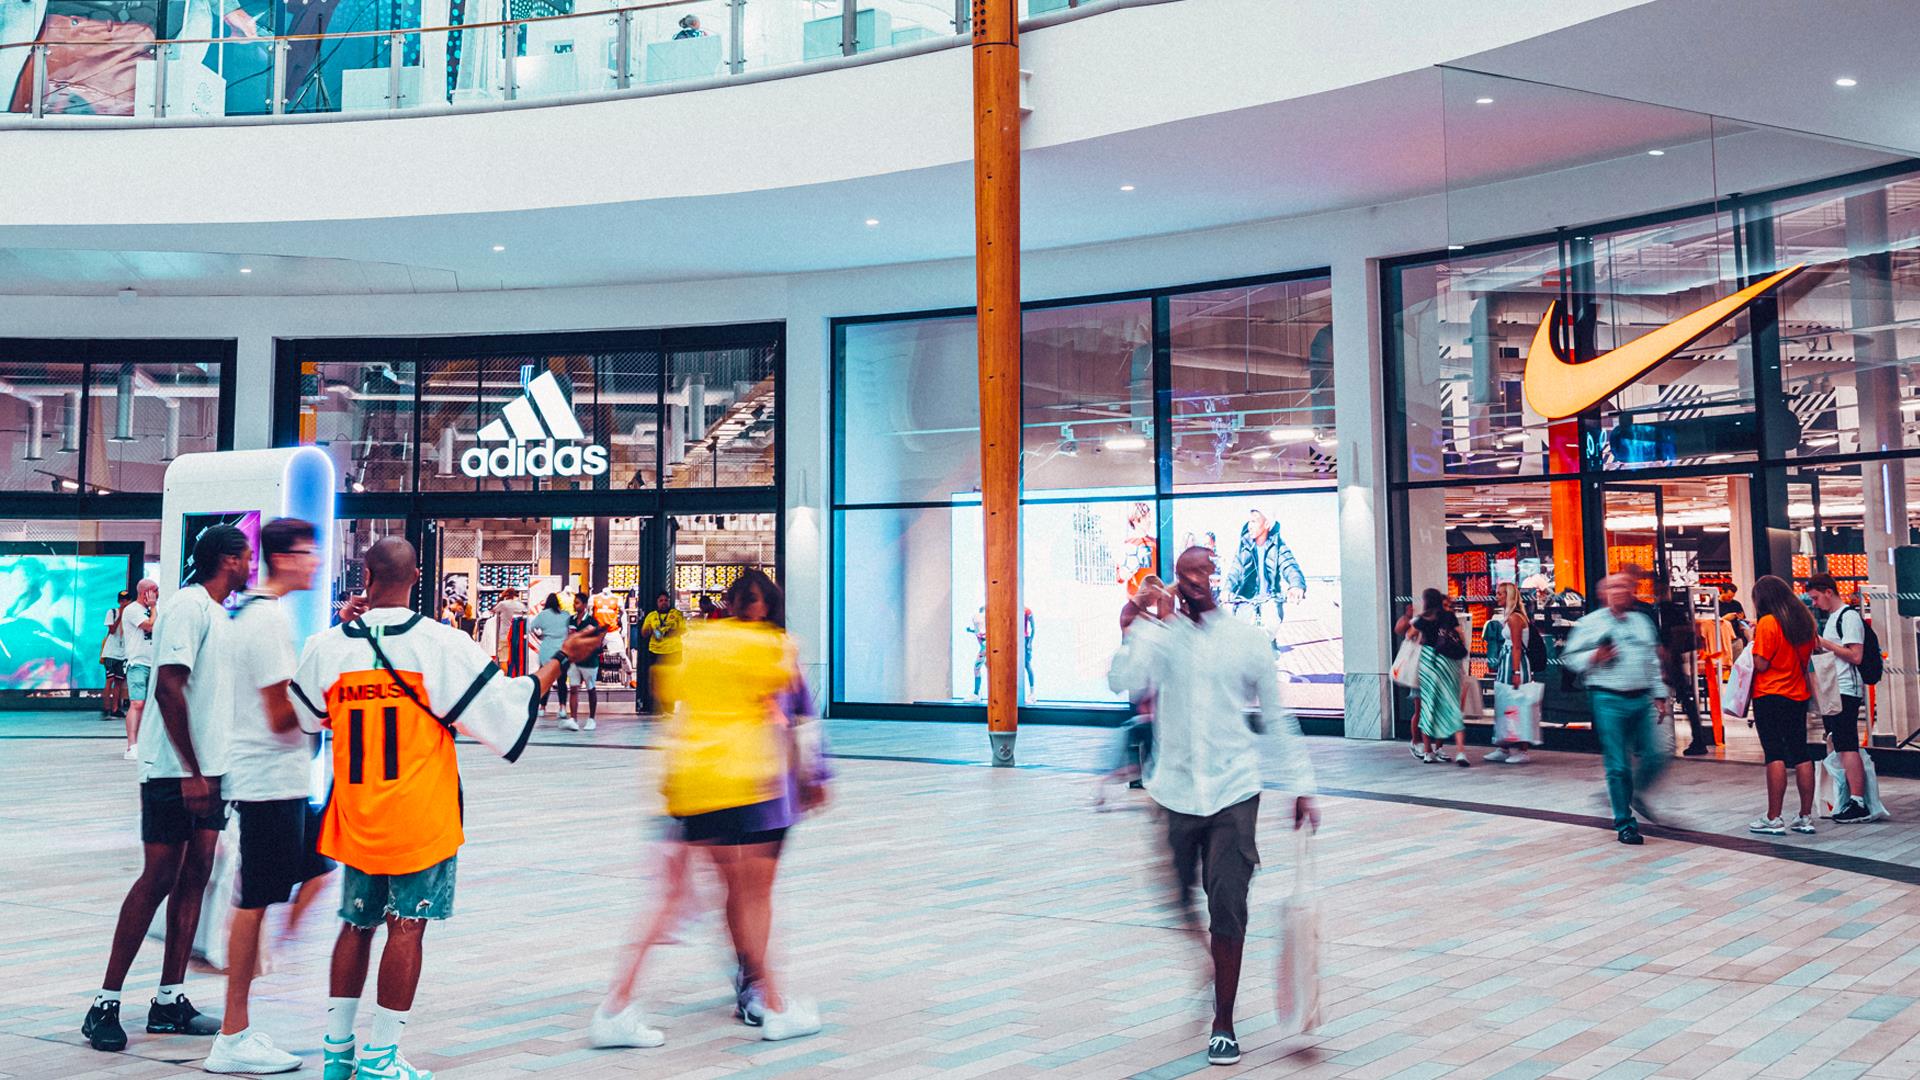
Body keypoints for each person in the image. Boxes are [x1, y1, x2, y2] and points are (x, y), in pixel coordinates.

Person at [288, 538, 603, 1080]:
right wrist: (562, 658)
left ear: (365, 573)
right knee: (406, 927)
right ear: (417, 575)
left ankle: (337, 1054)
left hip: (356, 814)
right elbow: (505, 708)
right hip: (419, 813)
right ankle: (381, 1060)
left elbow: (306, 717)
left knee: (355, 925)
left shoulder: (326, 646)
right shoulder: (441, 643)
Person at [594, 569, 827, 1049]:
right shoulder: (773, 647)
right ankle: (774, 1006)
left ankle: (616, 1005)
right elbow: (794, 710)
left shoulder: (697, 641)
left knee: (679, 899)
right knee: (752, 896)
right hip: (748, 782)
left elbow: (670, 695)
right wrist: (813, 773)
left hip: (691, 782)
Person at [1107, 546, 1318, 1067]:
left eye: (1202, 571)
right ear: (1175, 582)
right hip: (1173, 791)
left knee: (1228, 899)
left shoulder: (1247, 640)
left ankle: (1223, 1020)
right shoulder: (1163, 636)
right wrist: (1134, 624)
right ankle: (1210, 964)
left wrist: (1302, 784)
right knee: (1176, 896)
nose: (1194, 580)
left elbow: (1277, 716)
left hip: (1234, 791)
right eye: (1184, 574)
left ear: (1218, 577)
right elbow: (1125, 683)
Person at [82, 528, 251, 1053]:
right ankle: (104, 1004)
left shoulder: (221, 614)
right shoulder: (188, 607)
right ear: (226, 559)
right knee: (159, 877)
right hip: (173, 771)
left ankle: (169, 1000)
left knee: (196, 875)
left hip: (210, 770)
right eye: (246, 555)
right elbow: (169, 685)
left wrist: (217, 770)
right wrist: (193, 770)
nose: (251, 563)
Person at [204, 518, 330, 1075]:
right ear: (282, 557)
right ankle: (233, 1035)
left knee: (292, 879)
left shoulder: (255, 614)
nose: (316, 562)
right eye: (309, 552)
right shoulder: (267, 621)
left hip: (275, 781)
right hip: (266, 781)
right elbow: (283, 718)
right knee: (252, 901)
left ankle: (239, 1026)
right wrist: (332, 708)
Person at [1561, 573, 1668, 845]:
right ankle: (1625, 823)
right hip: (1608, 698)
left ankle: (1633, 792)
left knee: (1657, 754)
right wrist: (1594, 656)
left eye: (1624, 586)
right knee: (1618, 765)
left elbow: (1652, 661)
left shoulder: (1642, 622)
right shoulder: (1590, 624)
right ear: (1603, 592)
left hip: (1641, 699)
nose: (1619, 591)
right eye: (1613, 587)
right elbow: (1570, 658)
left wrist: (1659, 694)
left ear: (1632, 591)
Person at [1746, 574, 1818, 836]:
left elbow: (1761, 664)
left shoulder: (1768, 623)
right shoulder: (1804, 622)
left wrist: (1750, 642)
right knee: (1801, 752)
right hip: (1798, 693)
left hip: (1770, 694)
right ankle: (1805, 816)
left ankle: (1774, 817)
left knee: (1774, 753)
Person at [1808, 574, 1873, 824]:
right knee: (1840, 743)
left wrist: (1824, 643)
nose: (1814, 603)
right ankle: (1850, 798)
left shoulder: (1849, 617)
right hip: (1834, 688)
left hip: (1846, 688)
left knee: (1847, 745)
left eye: (1815, 597)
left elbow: (1855, 656)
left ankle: (1858, 801)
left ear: (1828, 592)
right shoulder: (1834, 618)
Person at [1395, 589, 1468, 767]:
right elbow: (1461, 637)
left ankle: (1427, 750)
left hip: (1427, 665)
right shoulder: (1449, 617)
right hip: (1447, 664)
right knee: (1449, 706)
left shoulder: (1421, 619)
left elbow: (1407, 634)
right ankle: (1452, 750)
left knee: (1426, 707)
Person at [1655, 585, 1714, 756]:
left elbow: (1667, 638)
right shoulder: (1675, 610)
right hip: (1677, 660)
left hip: (1670, 660)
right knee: (1687, 699)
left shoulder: (1662, 610)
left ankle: (1697, 740)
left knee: (1683, 698)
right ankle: (1699, 739)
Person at [1224, 509, 1306, 629]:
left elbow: (1289, 566)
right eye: (1249, 521)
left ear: (1267, 524)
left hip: (1270, 600)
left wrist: (1296, 585)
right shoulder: (1243, 546)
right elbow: (1234, 571)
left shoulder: (1278, 546)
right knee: (1240, 631)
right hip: (1246, 598)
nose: (1249, 526)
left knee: (1271, 624)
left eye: (1254, 521)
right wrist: (1227, 589)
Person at [1483, 582, 1535, 765]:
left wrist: (1515, 671)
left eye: (1501, 594)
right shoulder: (1511, 617)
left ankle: (1522, 749)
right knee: (1507, 704)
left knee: (1515, 704)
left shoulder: (1514, 618)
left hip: (1514, 663)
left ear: (1509, 596)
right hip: (1508, 662)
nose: (1497, 596)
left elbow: (1517, 647)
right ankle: (1504, 746)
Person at [121, 579, 159, 762]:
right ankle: (132, 745)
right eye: (155, 591)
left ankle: (145, 742)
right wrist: (152, 607)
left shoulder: (154, 609)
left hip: (154, 662)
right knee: (137, 703)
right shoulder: (132, 610)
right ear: (146, 592)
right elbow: (150, 626)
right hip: (137, 662)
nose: (157, 595)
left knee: (151, 705)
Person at [531, 593, 576, 729]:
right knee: (562, 680)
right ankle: (562, 708)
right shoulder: (565, 615)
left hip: (546, 649)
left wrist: (542, 636)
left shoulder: (543, 615)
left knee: (546, 680)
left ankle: (542, 707)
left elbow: (531, 627)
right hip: (562, 650)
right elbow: (571, 630)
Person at [639, 591, 686, 714]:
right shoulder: (651, 616)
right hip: (656, 651)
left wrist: (669, 631)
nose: (664, 603)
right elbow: (643, 633)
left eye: (666, 600)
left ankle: (670, 707)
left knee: (672, 679)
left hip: (673, 651)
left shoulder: (676, 614)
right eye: (661, 600)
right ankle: (662, 707)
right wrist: (652, 630)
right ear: (657, 603)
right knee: (658, 680)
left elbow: (682, 630)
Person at [567, 590, 603, 729]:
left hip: (589, 660)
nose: (574, 605)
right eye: (574, 603)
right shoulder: (571, 620)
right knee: (574, 688)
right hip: (574, 660)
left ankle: (592, 718)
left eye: (577, 603)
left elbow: (596, 641)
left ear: (585, 604)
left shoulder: (592, 621)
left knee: (590, 689)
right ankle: (573, 718)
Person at [102, 587, 130, 723]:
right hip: (111, 652)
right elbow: (112, 630)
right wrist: (121, 616)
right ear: (119, 601)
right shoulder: (112, 612)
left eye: (126, 600)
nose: (124, 602)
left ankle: (115, 708)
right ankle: (106, 708)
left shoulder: (131, 614)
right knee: (110, 680)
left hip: (122, 653)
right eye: (122, 600)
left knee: (119, 681)